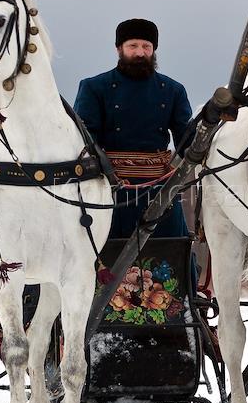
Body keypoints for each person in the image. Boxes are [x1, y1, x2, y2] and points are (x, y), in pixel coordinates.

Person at [74, 18, 193, 239]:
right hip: (109, 191)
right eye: (133, 46)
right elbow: (83, 141)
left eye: (146, 47)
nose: (140, 53)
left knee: (171, 254)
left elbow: (187, 142)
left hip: (158, 190)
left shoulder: (174, 90)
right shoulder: (93, 88)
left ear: (154, 49)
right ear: (119, 48)